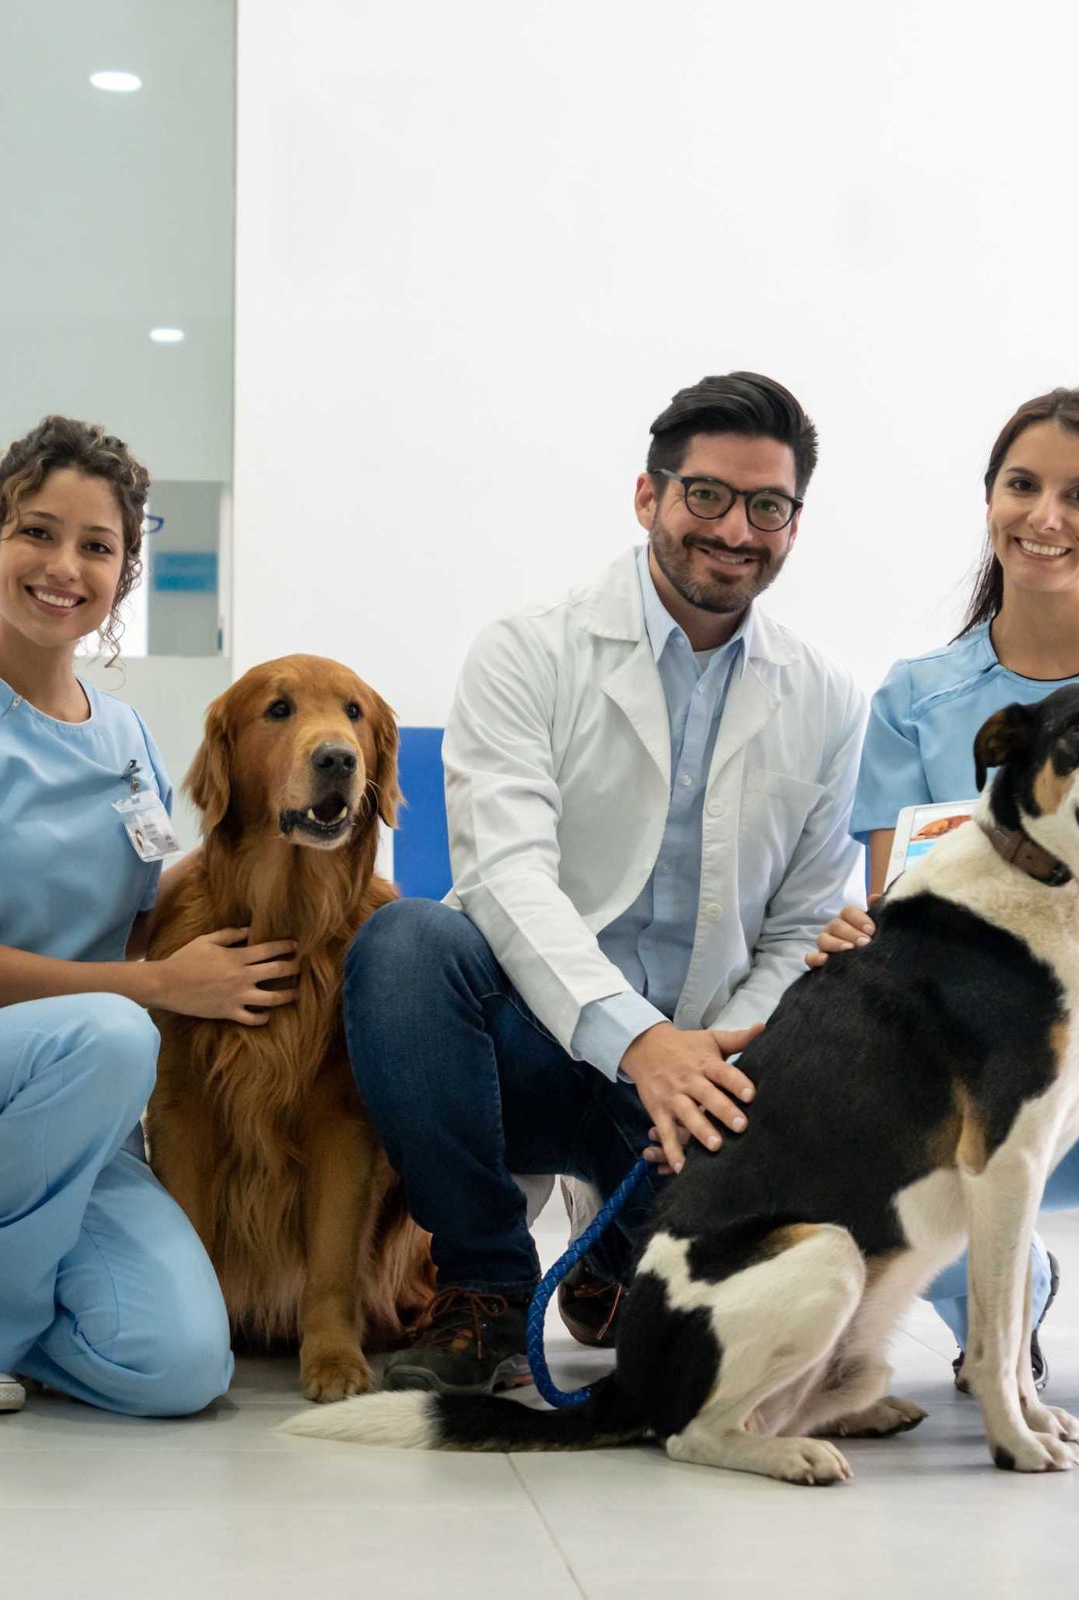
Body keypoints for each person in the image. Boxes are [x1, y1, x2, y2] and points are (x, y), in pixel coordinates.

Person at [343, 372, 867, 1393]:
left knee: (676, 1319)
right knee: (405, 946)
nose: (735, 528)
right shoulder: (528, 650)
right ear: (649, 496)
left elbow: (802, 920)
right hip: (531, 1049)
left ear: (794, 524)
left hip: (705, 1064)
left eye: (769, 506)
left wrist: (716, 1053)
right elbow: (504, 877)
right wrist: (639, 1042)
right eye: (706, 495)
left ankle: (612, 1256)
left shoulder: (827, 696)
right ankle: (488, 1290)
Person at [0, 416, 290, 1416]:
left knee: (178, 1370)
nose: (63, 566)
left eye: (97, 546)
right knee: (113, 1027)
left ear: (125, 571)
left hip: (77, 1114)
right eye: (37, 533)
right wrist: (163, 988)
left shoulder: (126, 736)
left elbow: (141, 917)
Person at [819, 387, 1079, 1406]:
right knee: (907, 1172)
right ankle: (1000, 1312)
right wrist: (861, 925)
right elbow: (898, 898)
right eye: (1021, 486)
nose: (1045, 517)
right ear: (988, 502)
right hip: (979, 1048)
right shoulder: (919, 697)